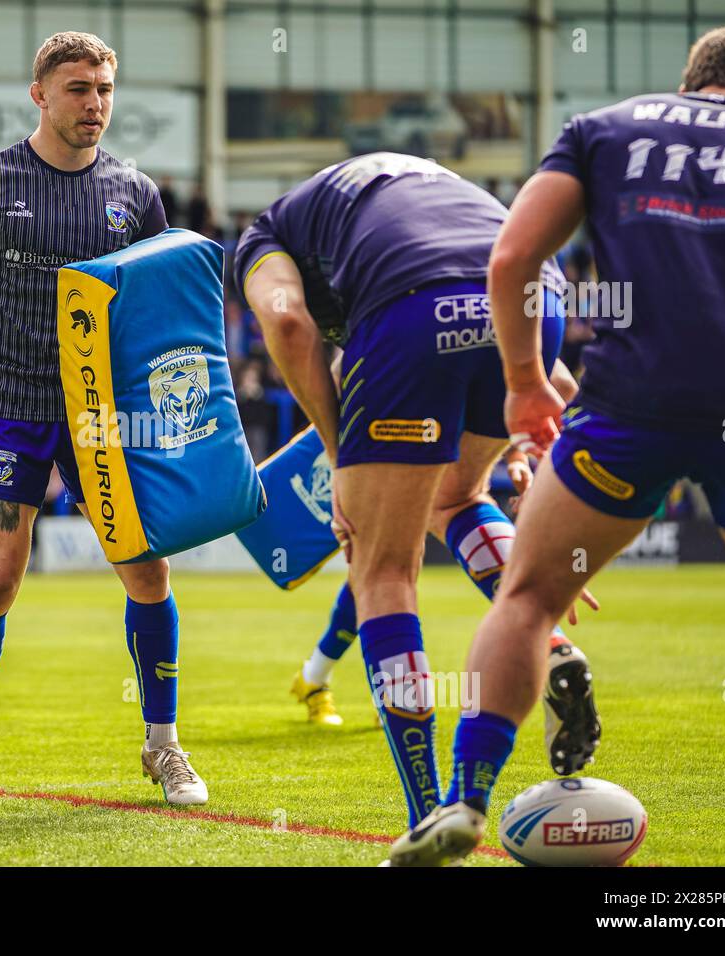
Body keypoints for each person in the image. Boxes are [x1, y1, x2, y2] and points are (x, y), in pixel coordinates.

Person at [390, 23, 725, 866]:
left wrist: (528, 381)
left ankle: (463, 802)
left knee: (527, 598)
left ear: (689, 81)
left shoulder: (606, 129)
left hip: (628, 407)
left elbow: (514, 260)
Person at [238, 151, 599, 836]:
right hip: (530, 302)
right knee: (457, 498)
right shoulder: (439, 194)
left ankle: (430, 811)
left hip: (413, 320)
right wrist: (540, 444)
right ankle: (546, 641)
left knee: (382, 570)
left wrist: (343, 457)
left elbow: (287, 324)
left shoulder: (268, 234)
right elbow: (546, 374)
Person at [0, 32, 207, 816]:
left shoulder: (137, 194)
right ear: (39, 93)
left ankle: (163, 742)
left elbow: (158, 314)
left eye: (106, 89)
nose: (96, 104)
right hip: (10, 405)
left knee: (149, 574)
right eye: (79, 88)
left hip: (103, 416)